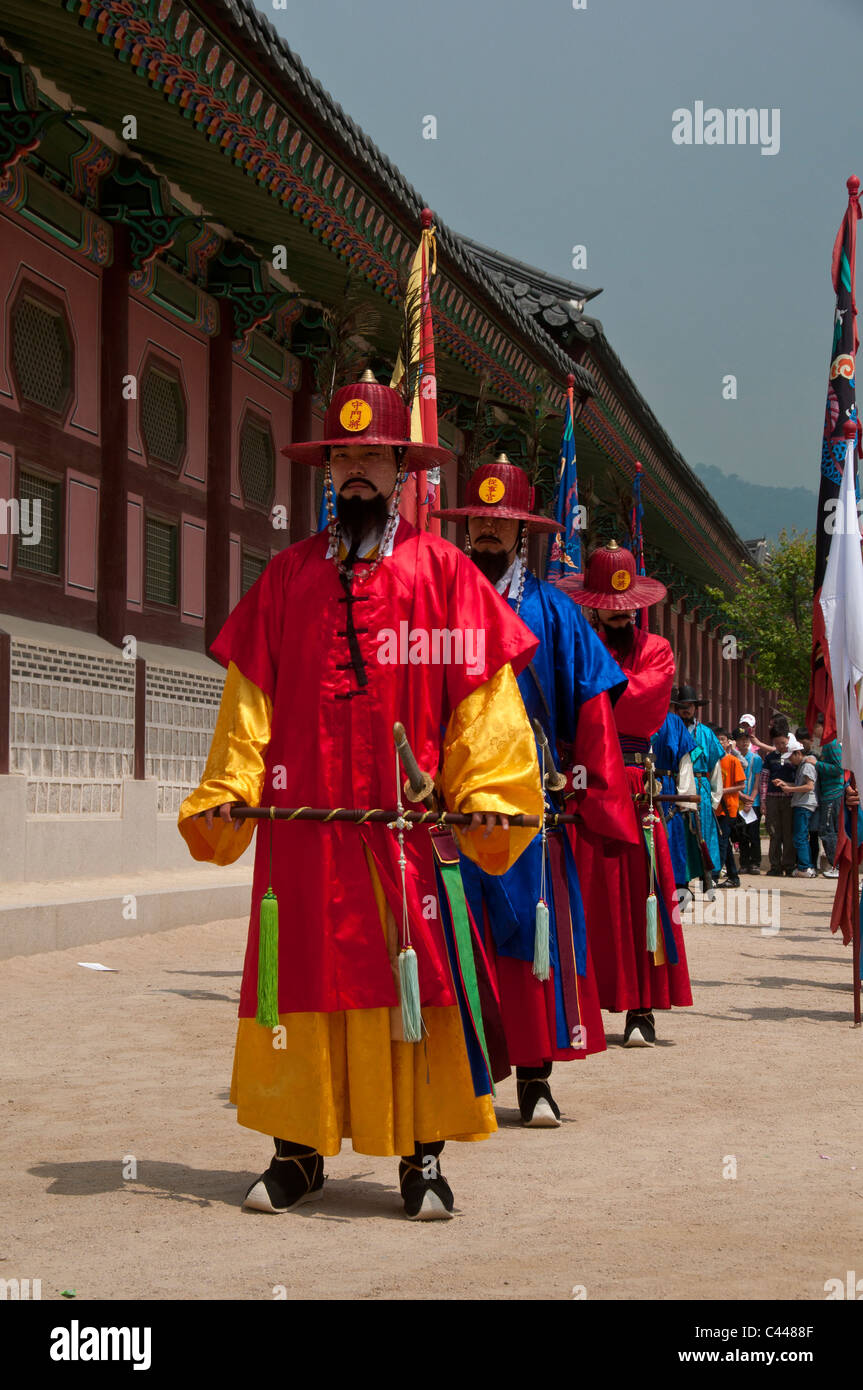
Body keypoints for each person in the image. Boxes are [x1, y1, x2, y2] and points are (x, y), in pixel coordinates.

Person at [178, 374, 546, 1221]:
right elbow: (249, 703)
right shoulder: (285, 578)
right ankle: (296, 1151)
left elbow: (481, 700)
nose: (355, 472)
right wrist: (234, 787)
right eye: (342, 456)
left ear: (400, 471)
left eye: (371, 457)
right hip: (301, 837)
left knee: (413, 979)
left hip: (403, 833)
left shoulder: (444, 573)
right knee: (291, 981)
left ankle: (421, 1159)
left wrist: (485, 788)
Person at [433, 459, 638, 1124]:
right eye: (479, 523)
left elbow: (591, 709)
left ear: (524, 532)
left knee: (530, 933)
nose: (489, 533)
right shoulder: (440, 599)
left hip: (530, 803)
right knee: (458, 932)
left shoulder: (553, 609)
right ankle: (463, 1070)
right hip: (448, 797)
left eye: (503, 523)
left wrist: (594, 791)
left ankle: (535, 1074)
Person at [560, 542, 693, 1047]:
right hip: (584, 781)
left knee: (643, 894)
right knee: (586, 892)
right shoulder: (574, 643)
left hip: (635, 784)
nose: (618, 616)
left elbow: (638, 707)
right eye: (607, 608)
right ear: (592, 604)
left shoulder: (657, 649)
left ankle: (641, 1007)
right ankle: (581, 1002)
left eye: (626, 609)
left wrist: (591, 675)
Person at [670, 685, 724, 879]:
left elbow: (715, 769)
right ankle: (682, 880)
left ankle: (708, 878)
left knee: (705, 834)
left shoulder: (706, 734)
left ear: (695, 708)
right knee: (681, 835)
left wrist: (716, 797)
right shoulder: (671, 730)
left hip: (701, 787)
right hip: (675, 788)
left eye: (690, 705)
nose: (686, 709)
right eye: (682, 705)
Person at [651, 710, 700, 905]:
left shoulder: (673, 721)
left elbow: (684, 761)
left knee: (672, 837)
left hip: (667, 786)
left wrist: (685, 799)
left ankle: (677, 888)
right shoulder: (632, 713)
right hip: (638, 782)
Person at [773, 737, 818, 877]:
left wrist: (790, 790)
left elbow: (809, 786)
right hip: (802, 803)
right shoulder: (802, 766)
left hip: (804, 805)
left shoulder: (807, 766)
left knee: (800, 837)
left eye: (791, 757)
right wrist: (784, 783)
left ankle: (805, 867)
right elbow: (800, 785)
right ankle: (807, 866)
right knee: (801, 836)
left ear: (798, 753)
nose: (790, 761)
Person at [760, 726, 796, 877]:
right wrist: (763, 801)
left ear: (788, 740)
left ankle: (788, 865)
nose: (780, 746)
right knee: (774, 833)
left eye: (783, 743)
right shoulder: (769, 758)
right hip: (772, 798)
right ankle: (775, 866)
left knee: (788, 833)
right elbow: (763, 780)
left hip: (789, 799)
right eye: (777, 743)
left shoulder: (794, 756)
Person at [714, 728, 745, 888]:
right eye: (717, 739)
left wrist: (722, 790)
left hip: (729, 808)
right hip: (714, 808)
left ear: (728, 742)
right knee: (723, 843)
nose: (720, 742)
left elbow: (741, 785)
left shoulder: (733, 761)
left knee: (721, 842)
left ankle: (713, 876)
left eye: (722, 739)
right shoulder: (712, 761)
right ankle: (733, 876)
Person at [733, 725, 763, 874]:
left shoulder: (756, 759)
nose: (744, 743)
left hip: (753, 802)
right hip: (738, 802)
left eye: (746, 740)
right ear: (736, 742)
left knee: (754, 834)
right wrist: (742, 799)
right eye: (740, 740)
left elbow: (757, 782)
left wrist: (750, 800)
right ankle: (744, 863)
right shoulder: (734, 758)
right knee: (741, 834)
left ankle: (755, 863)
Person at [816, 731, 844, 878]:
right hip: (829, 794)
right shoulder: (829, 744)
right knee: (830, 831)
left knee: (828, 830)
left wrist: (817, 764)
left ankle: (836, 866)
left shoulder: (831, 744)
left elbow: (839, 768)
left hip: (833, 794)